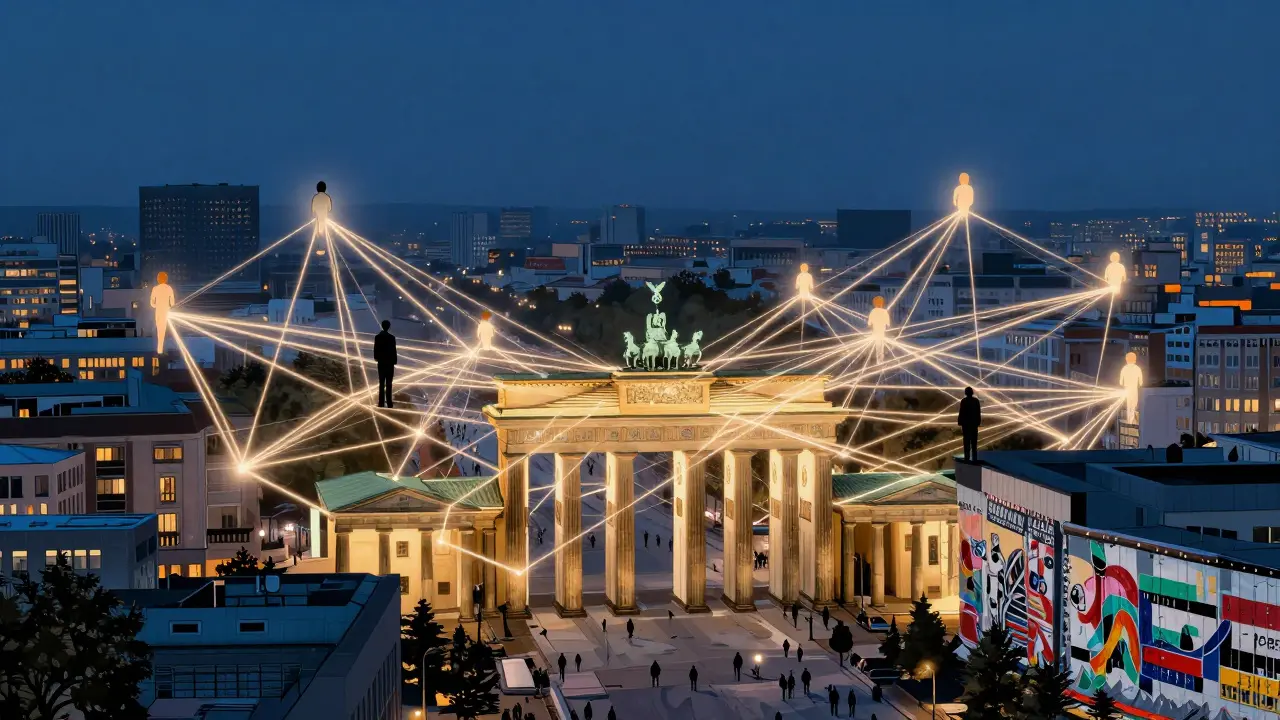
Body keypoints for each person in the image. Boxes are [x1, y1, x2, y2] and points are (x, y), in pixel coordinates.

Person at [150, 272, 176, 354]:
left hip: (158, 312)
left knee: (159, 331)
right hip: (166, 311)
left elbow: (151, 303)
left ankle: (159, 350)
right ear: (166, 279)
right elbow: (172, 303)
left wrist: (156, 305)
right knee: (165, 330)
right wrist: (168, 305)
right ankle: (162, 349)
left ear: (158, 279)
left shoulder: (155, 288)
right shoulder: (169, 288)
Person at [374, 319, 397, 408]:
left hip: (381, 363)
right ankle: (389, 403)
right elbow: (394, 351)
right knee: (389, 383)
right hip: (389, 363)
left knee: (381, 383)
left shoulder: (377, 337)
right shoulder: (392, 338)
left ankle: (381, 403)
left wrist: (377, 358)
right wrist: (394, 361)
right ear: (388, 327)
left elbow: (376, 350)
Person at [958, 386, 982, 461]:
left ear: (966, 393)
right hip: (974, 424)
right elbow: (978, 413)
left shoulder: (964, 401)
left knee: (966, 441)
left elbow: (961, 412)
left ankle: (967, 457)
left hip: (966, 425)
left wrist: (960, 422)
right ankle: (974, 458)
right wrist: (978, 422)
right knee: (974, 442)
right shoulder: (976, 401)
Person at [1119, 351, 1144, 422]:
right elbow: (1141, 383)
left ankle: (1129, 421)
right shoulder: (1138, 369)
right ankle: (1132, 421)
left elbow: (1120, 382)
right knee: (1134, 406)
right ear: (1135, 359)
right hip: (1134, 390)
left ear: (1126, 359)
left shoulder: (1124, 369)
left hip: (1127, 389)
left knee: (1128, 405)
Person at [868, 295, 891, 364]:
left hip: (876, 332)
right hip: (882, 332)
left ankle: (879, 362)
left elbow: (869, 323)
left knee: (878, 347)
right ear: (882, 303)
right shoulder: (885, 312)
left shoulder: (873, 311)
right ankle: (881, 361)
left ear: (874, 303)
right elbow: (888, 324)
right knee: (881, 347)